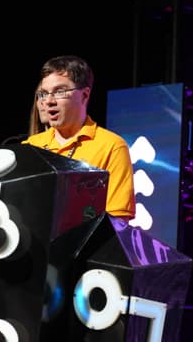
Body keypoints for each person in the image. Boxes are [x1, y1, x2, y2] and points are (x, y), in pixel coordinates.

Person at [21, 55, 136, 220]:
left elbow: (119, 220)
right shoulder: (30, 146)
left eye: (60, 91)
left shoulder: (111, 146)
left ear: (84, 95)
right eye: (44, 94)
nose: (49, 101)